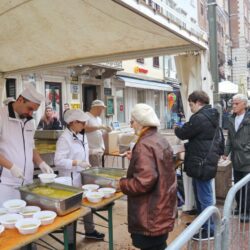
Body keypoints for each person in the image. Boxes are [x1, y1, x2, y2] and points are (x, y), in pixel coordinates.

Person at [118, 103, 177, 250]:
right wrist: (136, 158)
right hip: (161, 209)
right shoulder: (159, 138)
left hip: (150, 215)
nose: (131, 126)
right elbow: (158, 165)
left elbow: (144, 182)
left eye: (132, 121)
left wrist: (121, 184)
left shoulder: (144, 144)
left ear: (140, 122)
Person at [174, 90, 220, 240]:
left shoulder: (200, 117)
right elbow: (201, 140)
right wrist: (187, 147)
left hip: (201, 163)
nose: (190, 107)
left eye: (191, 104)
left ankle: (210, 230)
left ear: (199, 102)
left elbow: (183, 133)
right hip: (204, 161)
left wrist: (176, 128)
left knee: (204, 198)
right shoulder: (211, 115)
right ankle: (203, 224)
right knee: (201, 196)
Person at [54, 109, 105, 240]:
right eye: (82, 122)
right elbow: (58, 161)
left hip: (82, 177)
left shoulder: (81, 135)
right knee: (71, 212)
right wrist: (76, 162)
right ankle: (70, 242)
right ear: (73, 122)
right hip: (69, 181)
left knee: (86, 205)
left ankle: (90, 231)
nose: (84, 125)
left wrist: (92, 153)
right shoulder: (64, 139)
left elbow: (84, 152)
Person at [0, 85, 54, 205]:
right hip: (6, 183)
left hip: (27, 182)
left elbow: (31, 146)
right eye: (29, 108)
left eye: (33, 111)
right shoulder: (1, 116)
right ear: (20, 100)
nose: (30, 113)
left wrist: (41, 162)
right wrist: (11, 167)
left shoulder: (29, 121)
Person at [222, 94, 250, 222]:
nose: (233, 106)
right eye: (232, 103)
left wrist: (246, 149)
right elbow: (230, 138)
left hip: (247, 157)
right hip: (236, 157)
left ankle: (247, 211)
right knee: (238, 183)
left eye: (236, 103)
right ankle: (240, 206)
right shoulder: (231, 118)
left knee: (247, 186)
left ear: (244, 104)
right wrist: (225, 152)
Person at [85, 100, 112, 167]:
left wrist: (106, 131)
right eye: (101, 109)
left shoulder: (99, 119)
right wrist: (100, 126)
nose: (102, 111)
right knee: (94, 173)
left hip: (99, 150)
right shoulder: (86, 116)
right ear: (96, 108)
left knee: (98, 170)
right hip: (91, 151)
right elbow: (84, 129)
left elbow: (99, 134)